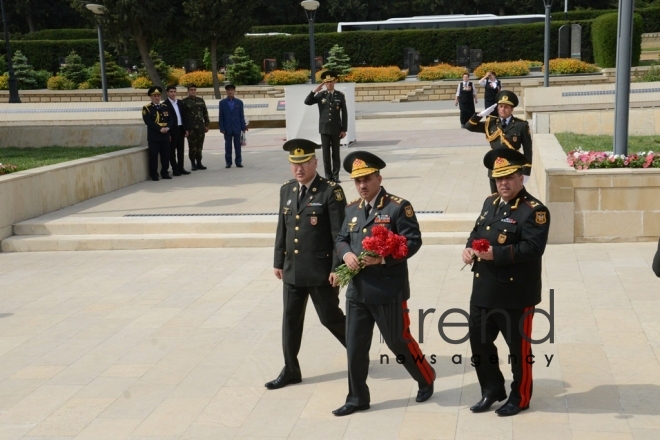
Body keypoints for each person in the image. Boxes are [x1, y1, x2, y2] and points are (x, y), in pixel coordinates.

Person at [333, 151, 435, 416]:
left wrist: (384, 259)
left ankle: (425, 377)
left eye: (367, 179)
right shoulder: (352, 208)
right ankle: (357, 398)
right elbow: (342, 237)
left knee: (397, 342)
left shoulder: (398, 207)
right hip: (357, 291)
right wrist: (346, 254)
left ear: (379, 177)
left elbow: (413, 241)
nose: (362, 185)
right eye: (357, 181)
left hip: (388, 289)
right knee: (355, 347)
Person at [462, 148, 550, 417]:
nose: (503, 183)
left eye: (509, 177)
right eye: (498, 178)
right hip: (484, 290)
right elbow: (477, 232)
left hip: (515, 295)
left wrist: (495, 254)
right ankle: (492, 389)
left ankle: (520, 397)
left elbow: (534, 248)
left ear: (521, 177)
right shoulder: (490, 202)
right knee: (480, 343)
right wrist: (468, 248)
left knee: (518, 350)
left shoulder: (534, 211)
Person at [268, 138, 348, 390]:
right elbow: (283, 228)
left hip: (320, 272)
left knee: (330, 318)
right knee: (290, 320)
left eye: (304, 163)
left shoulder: (330, 191)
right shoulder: (287, 190)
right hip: (292, 269)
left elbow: (340, 234)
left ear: (315, 162)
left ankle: (357, 346)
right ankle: (290, 368)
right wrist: (278, 260)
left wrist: (338, 269)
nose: (298, 169)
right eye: (294, 164)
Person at [465, 90, 533, 193]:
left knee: (514, 195)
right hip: (495, 166)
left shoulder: (521, 125)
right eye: (500, 106)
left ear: (512, 109)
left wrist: (526, 170)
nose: (503, 109)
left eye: (506, 107)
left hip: (513, 165)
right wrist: (480, 115)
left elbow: (528, 149)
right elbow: (469, 126)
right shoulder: (490, 123)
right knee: (495, 198)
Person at [304, 70, 347, 184]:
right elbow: (307, 102)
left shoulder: (340, 95)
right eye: (327, 82)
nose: (329, 84)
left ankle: (336, 175)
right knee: (326, 154)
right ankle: (328, 176)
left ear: (335, 81)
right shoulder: (320, 95)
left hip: (336, 128)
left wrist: (344, 129)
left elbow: (345, 113)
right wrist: (314, 90)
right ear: (324, 83)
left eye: (331, 81)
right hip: (324, 128)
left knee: (336, 153)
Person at [141, 86, 175, 181]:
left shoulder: (164, 107)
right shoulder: (147, 108)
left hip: (165, 135)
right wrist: (159, 129)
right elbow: (148, 121)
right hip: (154, 136)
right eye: (155, 96)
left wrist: (168, 127)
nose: (157, 98)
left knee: (165, 155)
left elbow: (171, 119)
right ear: (151, 97)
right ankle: (154, 174)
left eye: (158, 96)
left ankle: (165, 172)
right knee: (154, 157)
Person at [181, 84, 210, 171]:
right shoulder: (184, 102)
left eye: (194, 89)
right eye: (191, 90)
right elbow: (183, 116)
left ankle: (199, 163)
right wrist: (185, 129)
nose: (193, 91)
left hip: (200, 127)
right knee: (192, 146)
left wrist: (207, 125)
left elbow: (205, 113)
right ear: (188, 91)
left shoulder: (200, 101)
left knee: (200, 146)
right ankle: (193, 164)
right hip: (191, 128)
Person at [219, 83, 247, 168]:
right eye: (228, 90)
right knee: (228, 146)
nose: (230, 91)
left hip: (237, 127)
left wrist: (243, 127)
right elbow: (221, 116)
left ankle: (238, 161)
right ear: (226, 91)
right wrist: (222, 128)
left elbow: (241, 116)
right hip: (227, 128)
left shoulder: (239, 102)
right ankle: (228, 162)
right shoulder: (222, 103)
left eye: (232, 90)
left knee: (237, 146)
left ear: (234, 91)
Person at [166, 86, 190, 176]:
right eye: (171, 91)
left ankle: (181, 167)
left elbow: (184, 116)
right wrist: (168, 133)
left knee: (181, 150)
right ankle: (175, 169)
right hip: (172, 130)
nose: (173, 93)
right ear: (167, 93)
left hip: (181, 129)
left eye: (174, 91)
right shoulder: (165, 104)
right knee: (172, 151)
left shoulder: (180, 102)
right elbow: (166, 120)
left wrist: (186, 129)